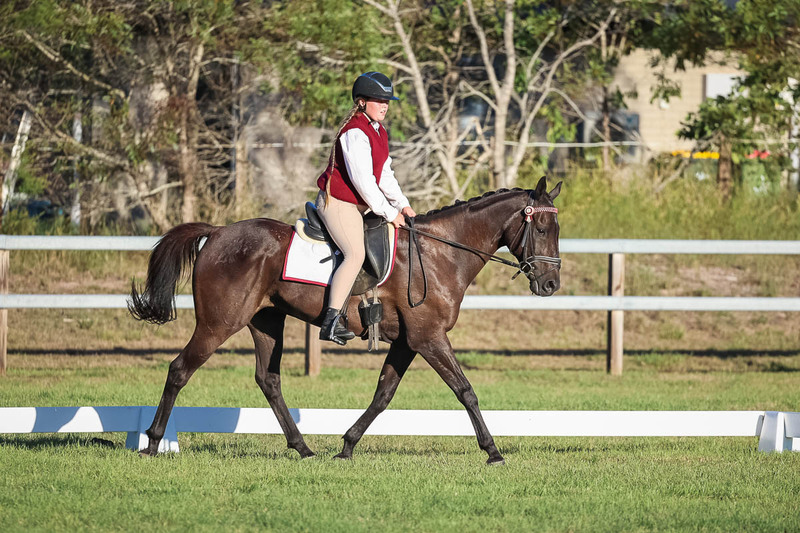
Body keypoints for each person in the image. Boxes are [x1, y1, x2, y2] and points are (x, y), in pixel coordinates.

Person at [315, 71, 416, 345]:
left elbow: (384, 175)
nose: (385, 105)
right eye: (378, 100)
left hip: (359, 205)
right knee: (355, 253)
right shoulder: (354, 133)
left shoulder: (378, 131)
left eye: (387, 100)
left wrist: (403, 205)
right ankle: (331, 321)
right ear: (361, 102)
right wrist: (389, 212)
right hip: (337, 203)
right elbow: (365, 184)